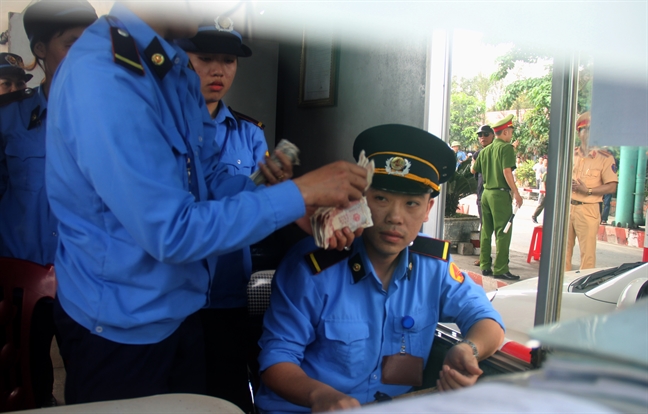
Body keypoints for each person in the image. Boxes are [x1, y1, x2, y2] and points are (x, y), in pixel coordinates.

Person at [45, 1, 367, 405]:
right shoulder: (108, 76)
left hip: (179, 311)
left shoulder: (170, 68)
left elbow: (207, 180)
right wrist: (298, 193)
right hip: (120, 327)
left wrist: (295, 207)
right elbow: (172, 231)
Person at [256, 124, 505, 413]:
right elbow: (276, 360)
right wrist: (318, 395)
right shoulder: (314, 267)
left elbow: (487, 319)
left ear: (428, 209)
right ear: (359, 198)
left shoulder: (433, 266)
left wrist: (467, 349)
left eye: (411, 203)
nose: (395, 217)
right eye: (381, 198)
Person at [0, 0, 98, 407]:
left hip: (88, 278)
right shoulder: (9, 117)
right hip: (21, 278)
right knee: (24, 386)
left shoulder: (109, 118)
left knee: (91, 385)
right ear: (40, 49)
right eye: (71, 43)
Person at [175, 18, 266, 411]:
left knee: (229, 390)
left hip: (228, 285)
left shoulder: (249, 134)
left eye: (228, 60)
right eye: (205, 58)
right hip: (176, 289)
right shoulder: (165, 128)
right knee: (181, 393)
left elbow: (258, 209)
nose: (217, 70)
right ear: (181, 59)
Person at [471, 114, 523, 281]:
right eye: (511, 132)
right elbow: (507, 172)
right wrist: (516, 193)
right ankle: (500, 268)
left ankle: (485, 265)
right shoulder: (506, 148)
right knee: (503, 232)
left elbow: (474, 170)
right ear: (506, 132)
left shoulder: (485, 151)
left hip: (485, 193)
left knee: (486, 231)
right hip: (499, 194)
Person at [566, 112, 618, 271]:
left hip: (588, 209)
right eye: (585, 129)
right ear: (579, 132)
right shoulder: (570, 154)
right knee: (562, 253)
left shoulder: (605, 158)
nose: (589, 133)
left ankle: (582, 290)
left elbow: (611, 186)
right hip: (567, 208)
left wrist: (587, 190)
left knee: (587, 255)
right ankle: (562, 289)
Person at [471, 125, 494, 266]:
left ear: (492, 135)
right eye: (480, 135)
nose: (482, 137)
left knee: (499, 229)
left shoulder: (498, 151)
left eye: (486, 134)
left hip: (497, 193)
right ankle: (485, 257)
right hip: (482, 194)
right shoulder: (478, 154)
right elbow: (474, 172)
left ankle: (503, 258)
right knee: (484, 227)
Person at [531, 157, 548, 224]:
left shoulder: (549, 169)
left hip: (550, 189)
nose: (546, 162)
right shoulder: (541, 169)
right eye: (545, 161)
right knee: (541, 204)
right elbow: (543, 181)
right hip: (544, 188)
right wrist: (544, 192)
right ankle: (534, 215)